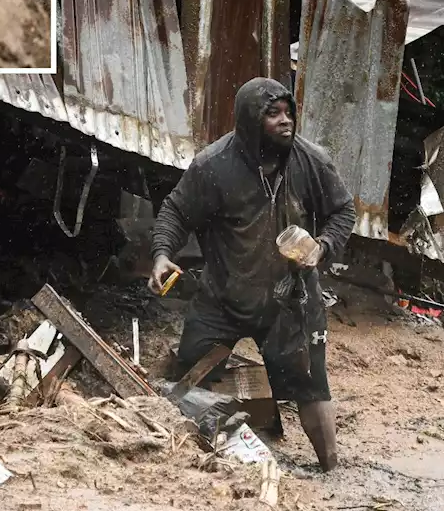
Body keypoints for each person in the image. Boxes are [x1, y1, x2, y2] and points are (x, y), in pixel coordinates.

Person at [149, 77, 355, 472]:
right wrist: (161, 254)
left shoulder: (311, 161)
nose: (285, 121)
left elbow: (342, 211)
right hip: (224, 294)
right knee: (191, 370)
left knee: (311, 384)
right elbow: (175, 211)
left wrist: (323, 246)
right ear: (249, 121)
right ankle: (202, 457)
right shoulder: (214, 166)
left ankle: (332, 471)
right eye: (272, 114)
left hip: (289, 299)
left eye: (288, 112)